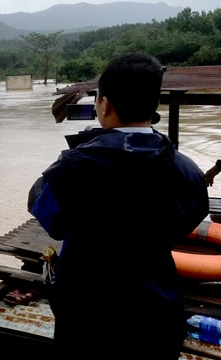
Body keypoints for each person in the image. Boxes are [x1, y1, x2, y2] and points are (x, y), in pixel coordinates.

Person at [27, 53, 209, 360]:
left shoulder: (73, 169)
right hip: (157, 321)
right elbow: (190, 217)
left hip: (87, 324)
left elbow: (47, 214)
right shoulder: (185, 171)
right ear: (154, 107)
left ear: (104, 104)